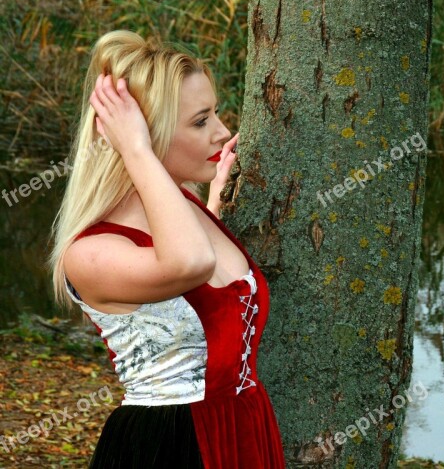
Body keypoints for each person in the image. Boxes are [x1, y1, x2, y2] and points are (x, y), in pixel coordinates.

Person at [46, 30, 286, 468]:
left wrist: (212, 199)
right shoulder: (91, 254)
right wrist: (136, 150)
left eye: (214, 113)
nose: (223, 132)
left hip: (245, 430)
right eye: (200, 121)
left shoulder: (191, 207)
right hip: (169, 447)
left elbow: (207, 279)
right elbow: (191, 265)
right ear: (147, 134)